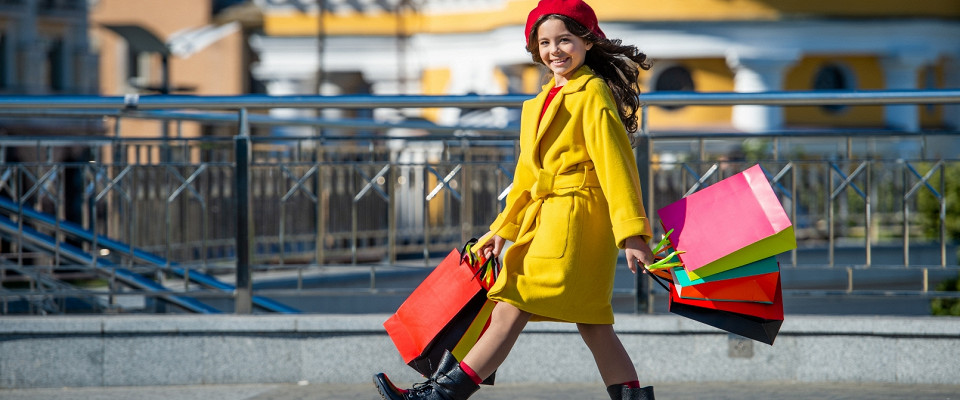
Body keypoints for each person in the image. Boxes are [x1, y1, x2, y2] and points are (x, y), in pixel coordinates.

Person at [374, 0, 656, 399]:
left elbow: (617, 165)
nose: (555, 50)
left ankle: (438, 396)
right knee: (593, 324)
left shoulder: (591, 92)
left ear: (588, 41)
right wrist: (500, 230)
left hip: (576, 221)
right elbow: (526, 178)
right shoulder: (539, 102)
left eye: (565, 39)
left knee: (512, 303)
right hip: (549, 219)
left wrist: (632, 233)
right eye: (545, 42)